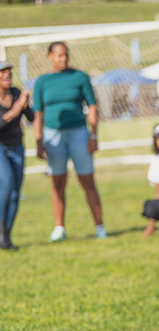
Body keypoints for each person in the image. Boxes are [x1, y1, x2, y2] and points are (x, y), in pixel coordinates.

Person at [33, 42, 105, 242]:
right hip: (53, 135)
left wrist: (93, 136)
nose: (63, 59)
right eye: (59, 55)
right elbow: (37, 114)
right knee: (58, 182)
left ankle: (99, 226)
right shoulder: (42, 82)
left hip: (78, 133)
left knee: (87, 180)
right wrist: (39, 142)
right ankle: (59, 228)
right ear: (50, 56)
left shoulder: (80, 77)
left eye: (66, 55)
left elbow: (92, 106)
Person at [0, 61, 33, 250]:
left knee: (15, 194)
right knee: (6, 183)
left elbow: (31, 117)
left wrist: (26, 105)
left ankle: (6, 237)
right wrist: (15, 111)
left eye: (8, 71)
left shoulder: (15, 93)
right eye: (2, 71)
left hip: (17, 146)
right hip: (0, 147)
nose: (7, 74)